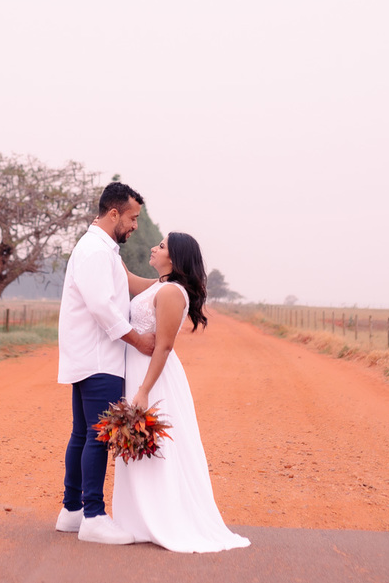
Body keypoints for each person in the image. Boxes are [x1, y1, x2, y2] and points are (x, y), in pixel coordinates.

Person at [111, 232, 251, 552]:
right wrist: (105, 241)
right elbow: (129, 279)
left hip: (154, 378)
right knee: (140, 443)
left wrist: (144, 390)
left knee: (156, 445)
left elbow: (164, 345)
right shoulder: (160, 285)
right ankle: (140, 519)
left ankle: (163, 517)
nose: (153, 248)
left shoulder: (173, 292)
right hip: (138, 372)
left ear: (174, 258)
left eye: (161, 246)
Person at [55, 181, 157, 544]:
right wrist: (139, 339)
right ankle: (94, 517)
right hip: (100, 358)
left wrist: (168, 283)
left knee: (83, 434)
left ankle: (72, 511)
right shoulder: (96, 251)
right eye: (132, 218)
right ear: (114, 213)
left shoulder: (102, 248)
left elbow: (127, 282)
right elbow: (102, 307)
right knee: (98, 438)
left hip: (88, 356)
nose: (135, 226)